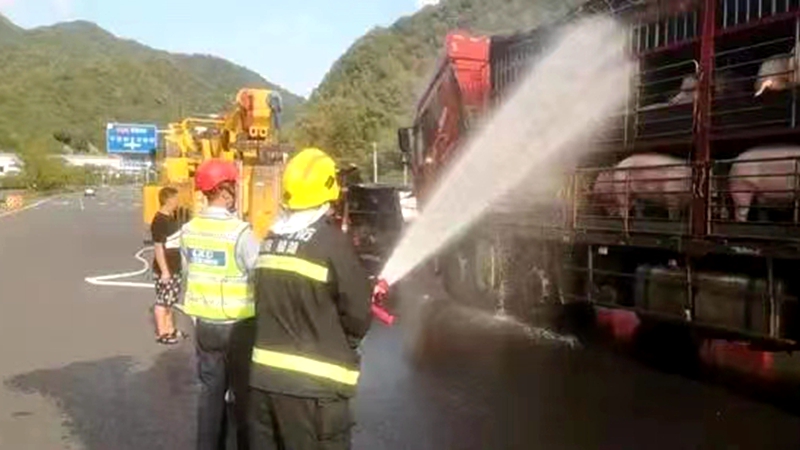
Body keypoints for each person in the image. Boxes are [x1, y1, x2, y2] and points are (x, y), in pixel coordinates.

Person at [248, 147, 373, 450]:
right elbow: (357, 316)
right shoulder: (331, 243)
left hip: (264, 386)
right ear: (329, 191)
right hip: (315, 393)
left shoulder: (270, 241)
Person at [180, 159, 259, 450]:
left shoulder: (189, 230)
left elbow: (188, 272)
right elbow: (258, 272)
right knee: (243, 398)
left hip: (205, 326)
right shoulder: (240, 232)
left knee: (210, 395)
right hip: (238, 326)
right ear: (226, 190)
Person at [151, 186, 185, 345]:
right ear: (168, 200)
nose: (178, 202)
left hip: (175, 266)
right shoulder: (159, 221)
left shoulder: (171, 218)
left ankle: (170, 329)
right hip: (165, 268)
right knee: (162, 301)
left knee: (170, 300)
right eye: (176, 198)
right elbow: (158, 247)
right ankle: (162, 332)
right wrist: (164, 271)